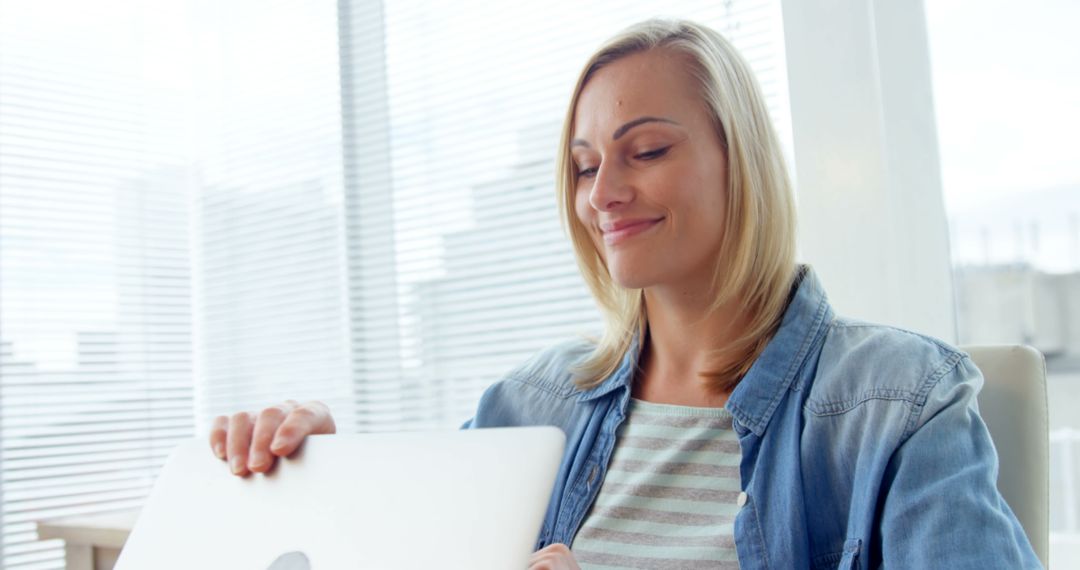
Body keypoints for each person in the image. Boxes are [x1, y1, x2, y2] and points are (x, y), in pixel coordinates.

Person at [209, 19, 1042, 569]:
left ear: (738, 158)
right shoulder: (529, 405)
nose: (602, 191)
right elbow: (403, 541)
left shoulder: (894, 400)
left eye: (644, 151)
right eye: (582, 165)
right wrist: (315, 473)